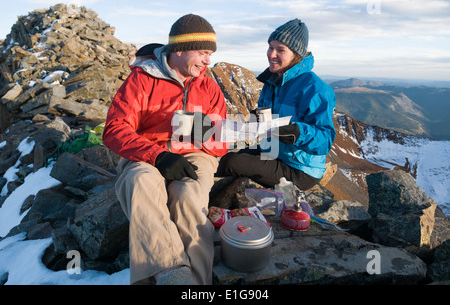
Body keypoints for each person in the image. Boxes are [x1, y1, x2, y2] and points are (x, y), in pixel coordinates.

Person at [103, 14, 228, 285]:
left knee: (187, 196)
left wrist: (195, 132)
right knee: (140, 181)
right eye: (202, 52)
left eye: (210, 54)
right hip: (147, 153)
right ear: (179, 49)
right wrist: (158, 155)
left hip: (196, 154)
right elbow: (114, 129)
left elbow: (221, 141)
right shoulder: (142, 79)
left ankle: (196, 283)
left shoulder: (209, 87)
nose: (208, 61)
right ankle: (172, 274)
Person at [217, 18, 336, 191]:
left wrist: (298, 132)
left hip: (299, 169)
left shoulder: (314, 88)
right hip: (272, 151)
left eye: (280, 50)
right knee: (224, 155)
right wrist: (255, 120)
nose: (271, 54)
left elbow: (325, 140)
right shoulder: (272, 81)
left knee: (233, 162)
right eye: (270, 47)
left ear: (296, 54)